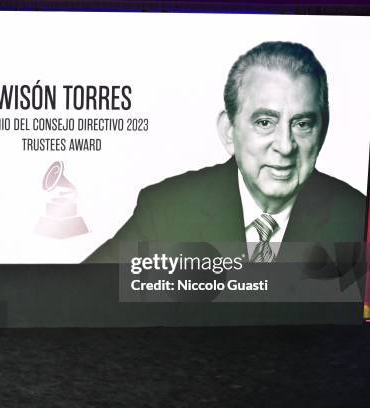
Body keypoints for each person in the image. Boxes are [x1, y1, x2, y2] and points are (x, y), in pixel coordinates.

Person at [86, 41, 365, 263]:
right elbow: (81, 300)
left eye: (302, 124)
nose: (285, 145)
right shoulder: (166, 211)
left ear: (323, 131)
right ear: (228, 131)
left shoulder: (358, 221)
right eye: (265, 122)